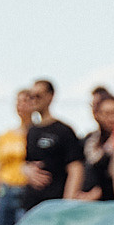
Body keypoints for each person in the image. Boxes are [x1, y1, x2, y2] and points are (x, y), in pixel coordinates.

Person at [17, 77, 86, 216]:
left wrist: (67, 203)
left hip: (55, 206)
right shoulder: (31, 131)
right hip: (31, 207)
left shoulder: (64, 131)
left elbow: (76, 169)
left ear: (50, 96)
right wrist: (26, 170)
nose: (34, 100)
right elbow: (26, 162)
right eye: (31, 96)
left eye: (38, 95)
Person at [0, 83, 36, 225]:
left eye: (25, 101)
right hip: (6, 190)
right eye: (18, 102)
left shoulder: (37, 134)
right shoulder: (5, 136)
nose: (21, 106)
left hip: (26, 191)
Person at [79, 87, 114, 202]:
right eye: (107, 113)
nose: (112, 118)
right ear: (97, 115)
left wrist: (99, 191)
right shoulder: (90, 140)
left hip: (113, 201)